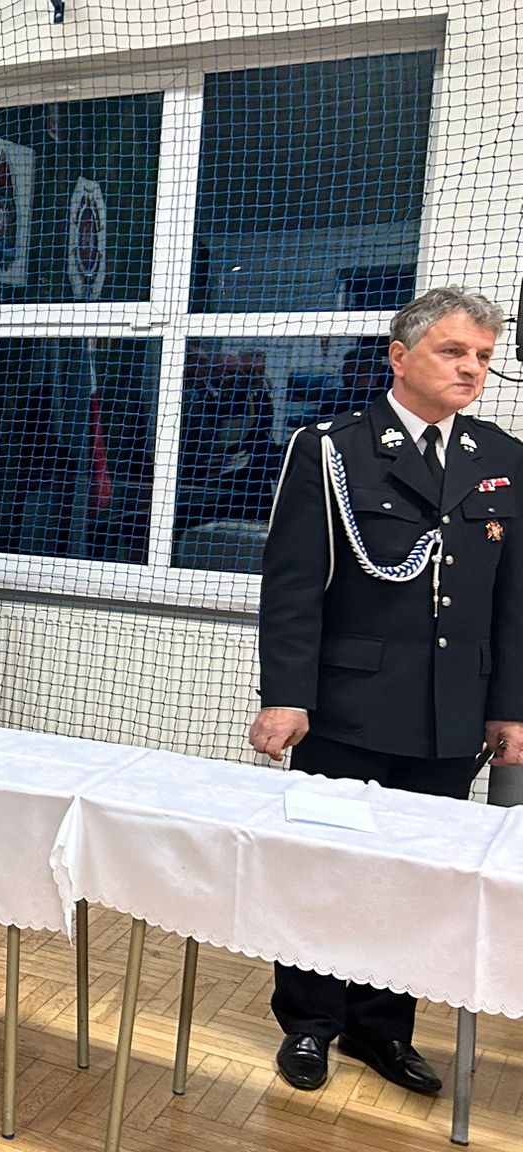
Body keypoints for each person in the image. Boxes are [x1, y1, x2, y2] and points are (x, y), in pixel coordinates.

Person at [251, 285, 523, 1096]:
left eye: (483, 356)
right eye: (454, 351)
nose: (472, 368)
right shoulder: (334, 450)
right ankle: (309, 1024)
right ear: (400, 356)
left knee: (417, 878)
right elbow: (294, 586)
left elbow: (513, 599)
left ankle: (382, 1029)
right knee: (327, 868)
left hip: (451, 716)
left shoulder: (501, 457)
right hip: (349, 708)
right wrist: (286, 694)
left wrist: (509, 708)